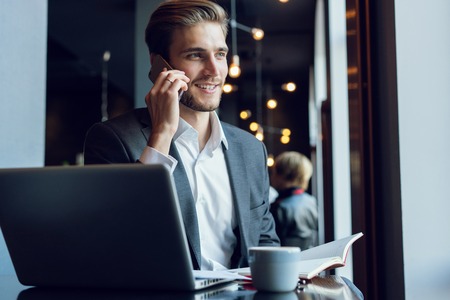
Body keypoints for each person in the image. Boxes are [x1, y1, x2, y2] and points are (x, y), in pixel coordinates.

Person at [83, 0, 279, 271]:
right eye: (196, 55)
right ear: (159, 64)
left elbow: (265, 243)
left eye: (220, 54)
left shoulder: (251, 149)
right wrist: (161, 135)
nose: (214, 70)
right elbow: (117, 243)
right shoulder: (112, 139)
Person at [270, 151, 318, 250]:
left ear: (282, 174)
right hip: (309, 259)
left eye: (273, 172)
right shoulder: (311, 201)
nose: (271, 176)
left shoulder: (279, 207)